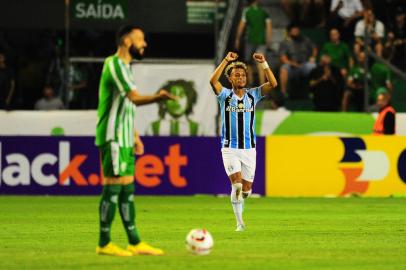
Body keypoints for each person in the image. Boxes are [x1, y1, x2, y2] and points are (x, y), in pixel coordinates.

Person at [95, 25, 175, 257]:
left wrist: (135, 135)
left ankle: (135, 241)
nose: (144, 44)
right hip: (113, 136)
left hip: (124, 136)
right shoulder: (115, 64)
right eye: (140, 39)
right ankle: (104, 242)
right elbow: (134, 99)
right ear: (127, 41)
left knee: (127, 188)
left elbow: (126, 107)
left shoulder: (127, 68)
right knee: (112, 185)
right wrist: (158, 97)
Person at [209, 51, 277, 231]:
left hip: (249, 149)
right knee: (237, 184)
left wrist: (264, 63)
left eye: (243, 75)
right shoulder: (224, 95)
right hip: (229, 148)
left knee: (246, 191)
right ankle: (240, 223)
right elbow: (213, 81)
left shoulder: (253, 95)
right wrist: (225, 60)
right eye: (236, 75)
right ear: (230, 79)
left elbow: (273, 83)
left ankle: (241, 202)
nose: (241, 77)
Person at [235, 0, 272, 85]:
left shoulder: (247, 11)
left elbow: (241, 26)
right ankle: (262, 84)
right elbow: (269, 27)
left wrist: (237, 39)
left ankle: (250, 83)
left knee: (248, 62)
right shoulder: (264, 11)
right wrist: (269, 40)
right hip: (261, 40)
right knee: (260, 63)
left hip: (250, 40)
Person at [279, 23, 317, 96]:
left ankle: (313, 92)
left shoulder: (305, 40)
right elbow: (282, 58)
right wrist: (291, 63)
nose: (296, 31)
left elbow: (314, 48)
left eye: (297, 30)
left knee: (313, 67)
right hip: (292, 66)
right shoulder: (285, 42)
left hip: (304, 64)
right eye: (294, 30)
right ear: (289, 32)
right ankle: (283, 93)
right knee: (283, 69)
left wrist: (313, 57)